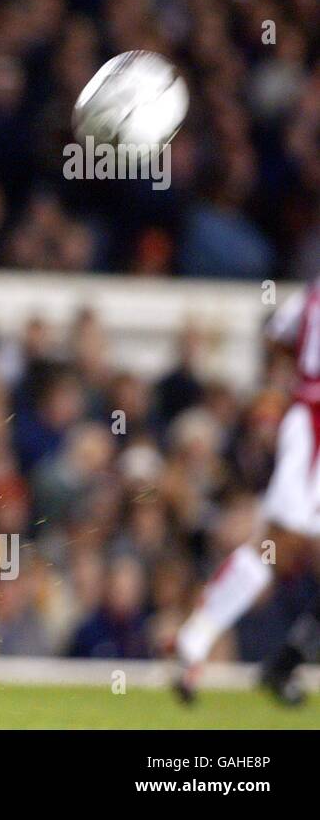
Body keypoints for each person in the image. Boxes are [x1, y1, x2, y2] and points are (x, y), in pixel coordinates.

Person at [173, 284, 320, 704]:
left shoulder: (309, 293)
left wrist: (290, 380)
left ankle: (284, 661)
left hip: (307, 416)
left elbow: (274, 333)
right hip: (314, 426)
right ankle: (199, 636)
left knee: (282, 546)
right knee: (276, 543)